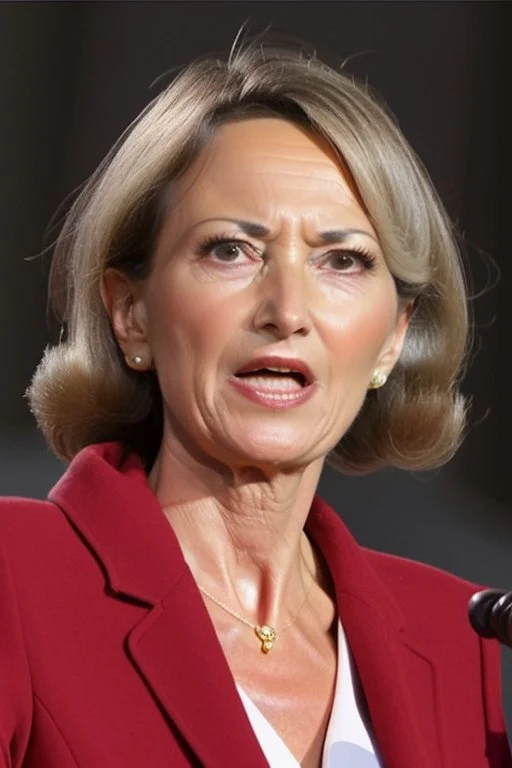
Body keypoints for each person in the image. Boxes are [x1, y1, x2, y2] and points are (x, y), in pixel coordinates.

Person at [0, 36, 510, 768]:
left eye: (342, 260)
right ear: (131, 315)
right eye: (232, 249)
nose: (287, 309)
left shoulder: (457, 633)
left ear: (393, 338)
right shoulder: (17, 579)